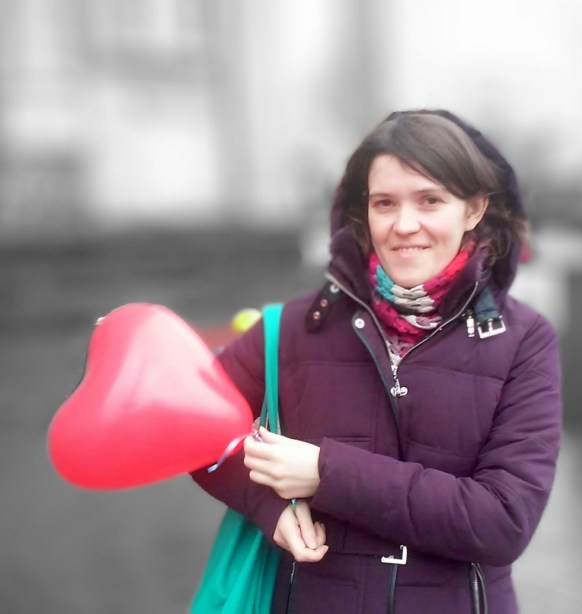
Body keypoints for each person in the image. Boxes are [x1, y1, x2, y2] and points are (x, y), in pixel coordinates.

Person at [192, 110, 561, 613]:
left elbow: (502, 521)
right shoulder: (291, 329)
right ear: (362, 212)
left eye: (430, 200)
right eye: (384, 203)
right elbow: (192, 427)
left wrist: (326, 474)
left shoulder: (524, 340)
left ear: (474, 209)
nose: (404, 225)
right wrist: (267, 506)